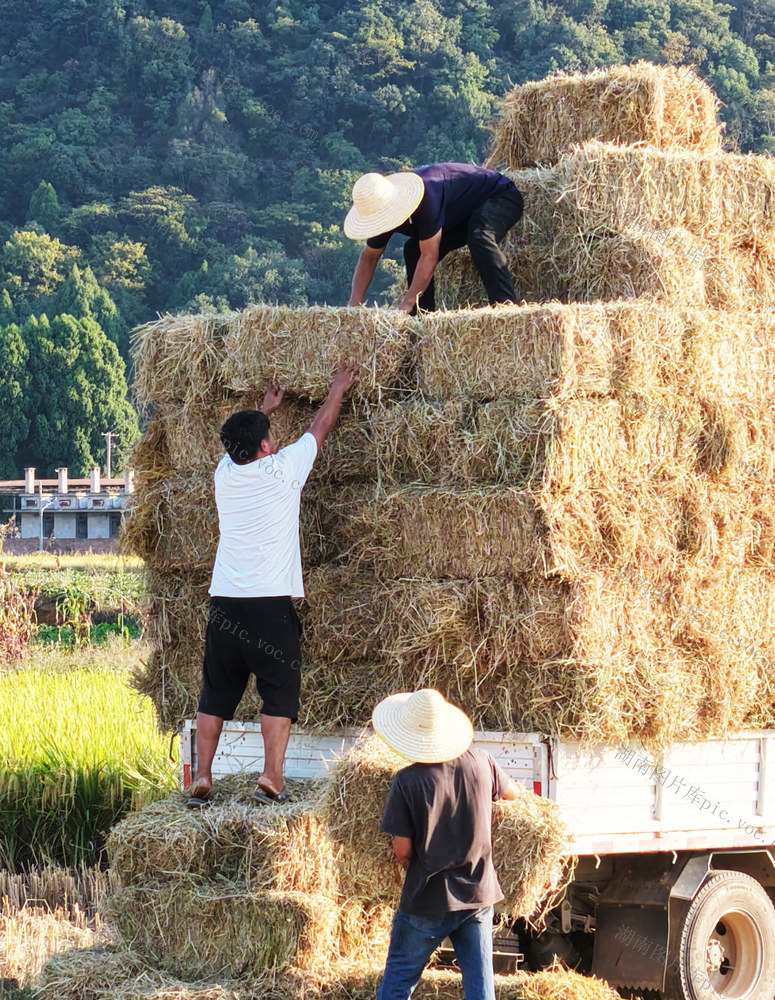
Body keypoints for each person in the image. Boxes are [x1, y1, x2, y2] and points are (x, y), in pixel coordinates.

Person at [186, 364, 359, 808]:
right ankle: (271, 777)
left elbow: (238, 447)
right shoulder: (285, 472)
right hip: (269, 607)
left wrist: (263, 410)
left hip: (225, 603)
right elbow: (319, 426)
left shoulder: (224, 476)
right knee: (278, 691)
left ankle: (202, 776)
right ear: (265, 445)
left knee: (215, 692)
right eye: (268, 437)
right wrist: (337, 387)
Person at [372, 688, 520, 1000]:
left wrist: (404, 863)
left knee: (399, 982)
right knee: (481, 988)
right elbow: (512, 794)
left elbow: (402, 849)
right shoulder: (482, 762)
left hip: (428, 898)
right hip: (478, 895)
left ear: (411, 735)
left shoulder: (407, 781)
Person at [344, 162, 523, 314]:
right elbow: (369, 258)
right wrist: (354, 307)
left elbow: (429, 256)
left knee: (479, 236)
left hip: (500, 196)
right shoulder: (381, 213)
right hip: (461, 215)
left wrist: (405, 304)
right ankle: (422, 317)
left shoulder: (425, 198)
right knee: (413, 249)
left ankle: (505, 307)